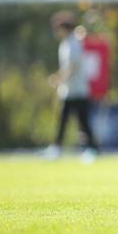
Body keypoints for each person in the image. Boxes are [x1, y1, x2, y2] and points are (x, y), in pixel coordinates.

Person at [45, 10, 99, 163]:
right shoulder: (67, 42)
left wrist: (58, 78)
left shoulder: (73, 43)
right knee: (63, 120)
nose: (56, 32)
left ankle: (91, 149)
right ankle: (57, 148)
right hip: (69, 91)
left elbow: (72, 66)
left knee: (83, 122)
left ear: (64, 28)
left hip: (78, 90)